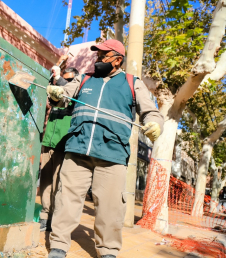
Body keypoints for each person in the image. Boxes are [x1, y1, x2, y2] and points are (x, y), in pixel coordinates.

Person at [46, 39, 164, 258]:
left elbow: (151, 112)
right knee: (66, 200)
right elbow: (65, 96)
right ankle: (59, 245)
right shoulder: (84, 79)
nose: (97, 59)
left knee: (111, 208)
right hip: (78, 148)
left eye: (103, 55)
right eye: (97, 55)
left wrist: (156, 123)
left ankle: (108, 251)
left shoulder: (132, 83)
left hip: (113, 154)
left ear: (117, 60)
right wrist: (57, 93)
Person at [39, 67, 79, 232]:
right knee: (45, 180)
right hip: (48, 140)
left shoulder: (76, 91)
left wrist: (59, 80)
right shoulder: (56, 92)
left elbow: (68, 94)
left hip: (63, 142)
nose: (67, 82)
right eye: (65, 79)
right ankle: (45, 216)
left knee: (58, 182)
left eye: (70, 80)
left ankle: (55, 216)